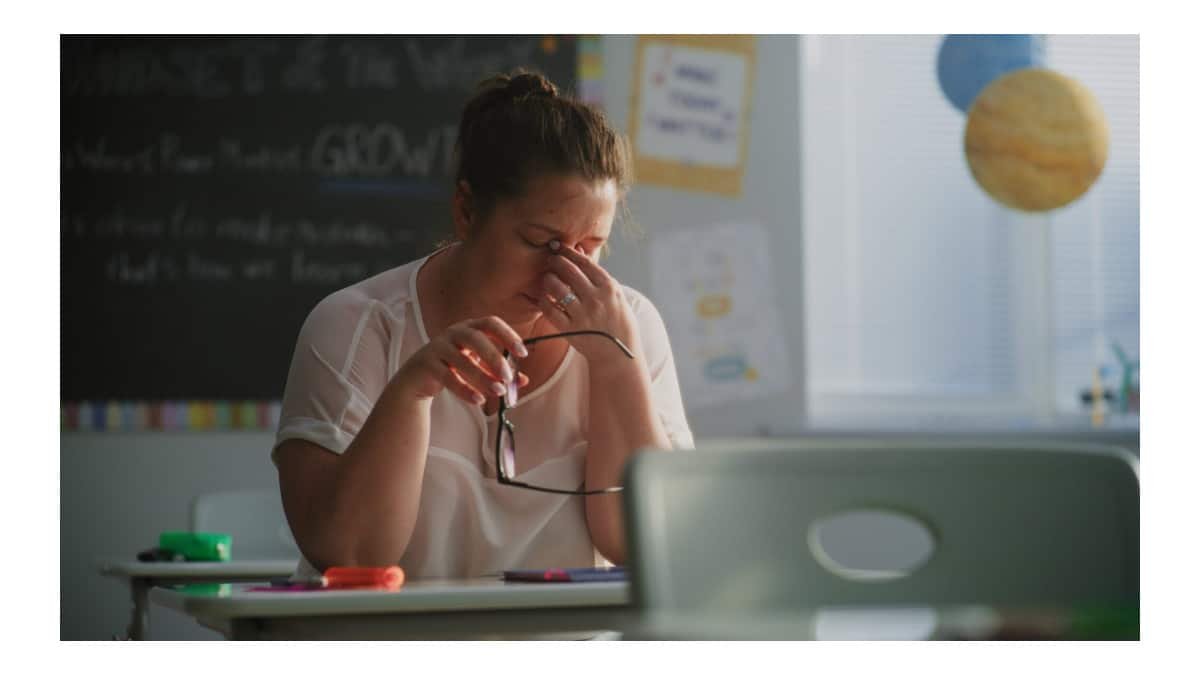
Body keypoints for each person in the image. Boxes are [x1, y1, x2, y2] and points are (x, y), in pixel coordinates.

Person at [272, 69, 693, 580]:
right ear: (467, 211)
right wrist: (412, 390)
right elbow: (352, 556)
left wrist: (616, 365)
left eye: (590, 247)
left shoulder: (631, 324)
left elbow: (647, 545)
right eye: (541, 243)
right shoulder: (356, 326)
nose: (564, 272)